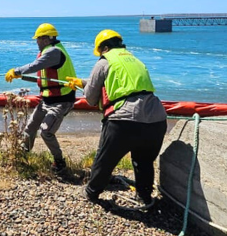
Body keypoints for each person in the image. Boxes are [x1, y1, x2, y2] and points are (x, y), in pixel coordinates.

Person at [66, 29, 167, 211]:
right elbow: (127, 85)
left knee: (105, 159)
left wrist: (85, 88)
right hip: (156, 119)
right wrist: (82, 82)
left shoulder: (104, 61)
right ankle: (144, 196)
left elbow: (90, 98)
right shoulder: (135, 60)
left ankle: (91, 192)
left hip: (124, 120)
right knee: (143, 160)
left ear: (104, 48)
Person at [4, 23, 77, 173]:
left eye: (38, 39)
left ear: (45, 39)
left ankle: (59, 162)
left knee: (46, 132)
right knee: (30, 128)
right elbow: (44, 76)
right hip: (47, 100)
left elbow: (35, 66)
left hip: (61, 101)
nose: (36, 42)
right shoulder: (49, 52)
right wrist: (21, 77)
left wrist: (16, 71)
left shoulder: (54, 52)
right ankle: (22, 155)